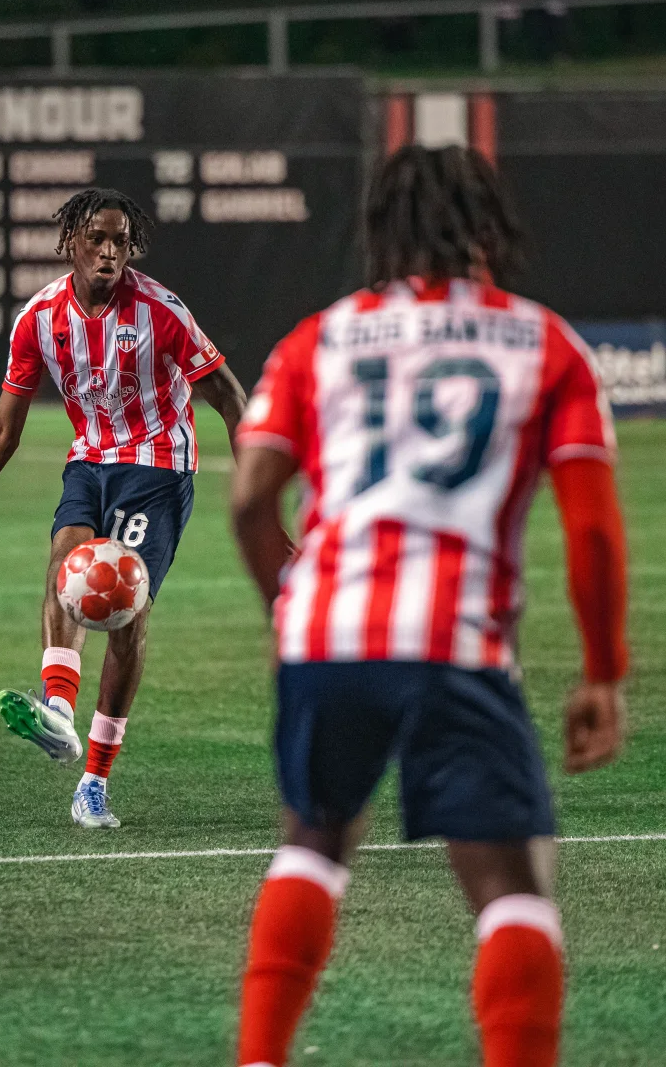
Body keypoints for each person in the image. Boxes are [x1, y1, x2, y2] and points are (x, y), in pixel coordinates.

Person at [230, 145, 628, 1067]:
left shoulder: (318, 337)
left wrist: (289, 614)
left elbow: (253, 498)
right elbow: (596, 536)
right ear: (490, 231)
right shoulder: (545, 343)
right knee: (513, 890)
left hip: (328, 632)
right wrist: (604, 673)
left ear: (382, 232)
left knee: (314, 844)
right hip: (456, 642)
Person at [0, 188, 246, 830]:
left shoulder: (161, 312)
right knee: (66, 566)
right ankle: (59, 713)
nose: (109, 252)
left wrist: (259, 505)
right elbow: (5, 430)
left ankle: (93, 783)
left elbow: (228, 397)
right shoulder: (38, 319)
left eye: (120, 241)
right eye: (97, 239)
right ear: (71, 244)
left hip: (158, 468)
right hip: (90, 461)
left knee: (125, 612)